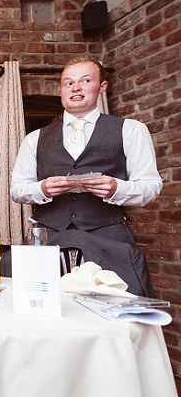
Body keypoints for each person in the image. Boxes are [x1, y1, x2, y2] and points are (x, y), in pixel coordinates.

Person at [10, 56, 160, 296]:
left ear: (102, 86)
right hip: (50, 240)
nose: (76, 88)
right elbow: (17, 189)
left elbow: (150, 186)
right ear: (61, 90)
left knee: (117, 308)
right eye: (68, 83)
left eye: (85, 80)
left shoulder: (131, 130)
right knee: (43, 308)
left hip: (109, 239)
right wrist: (42, 189)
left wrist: (116, 188)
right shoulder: (34, 139)